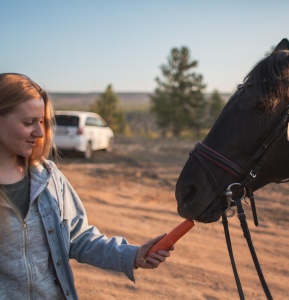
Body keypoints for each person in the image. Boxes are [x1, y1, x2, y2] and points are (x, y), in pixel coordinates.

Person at [0, 73, 172, 299]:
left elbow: (78, 237)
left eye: (41, 121)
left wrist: (133, 255)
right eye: (28, 122)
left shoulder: (48, 177)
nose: (40, 132)